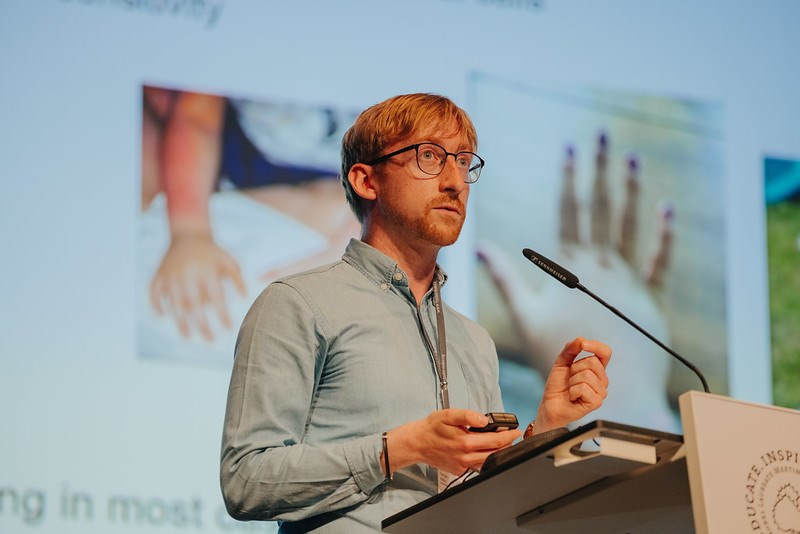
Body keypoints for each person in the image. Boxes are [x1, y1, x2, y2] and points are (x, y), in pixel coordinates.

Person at [220, 93, 612, 533]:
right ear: (367, 181)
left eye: (464, 162)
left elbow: (490, 499)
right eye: (430, 156)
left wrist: (548, 426)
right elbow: (246, 480)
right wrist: (400, 448)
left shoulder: (473, 341)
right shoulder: (298, 303)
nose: (455, 181)